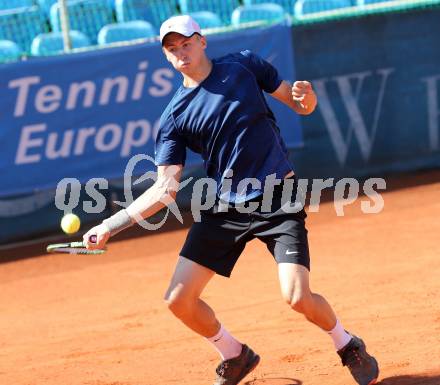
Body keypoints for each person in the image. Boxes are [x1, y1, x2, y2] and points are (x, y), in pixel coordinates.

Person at [83, 15, 379, 385]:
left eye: (186, 44)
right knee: (178, 300)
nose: (180, 54)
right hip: (224, 206)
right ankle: (234, 354)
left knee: (297, 297)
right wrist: (111, 224)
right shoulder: (174, 116)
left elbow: (298, 104)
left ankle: (347, 343)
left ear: (202, 41)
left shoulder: (244, 66)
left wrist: (310, 101)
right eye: (171, 49)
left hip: (278, 196)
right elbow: (165, 188)